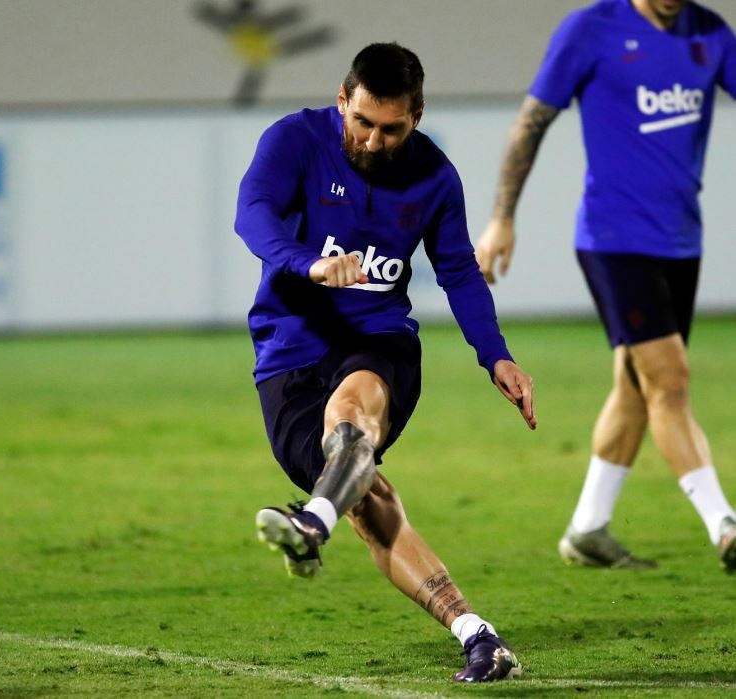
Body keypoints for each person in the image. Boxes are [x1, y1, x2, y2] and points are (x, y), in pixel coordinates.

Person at [235, 42, 536, 683]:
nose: (373, 141)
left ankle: (312, 521)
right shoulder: (293, 140)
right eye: (362, 122)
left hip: (379, 342)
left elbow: (457, 269)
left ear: (416, 116)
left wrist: (496, 356)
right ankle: (478, 635)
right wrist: (305, 263)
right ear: (343, 99)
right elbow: (251, 213)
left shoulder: (433, 175)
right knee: (370, 507)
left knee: (353, 418)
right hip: (288, 350)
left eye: (391, 128)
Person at [476, 0, 736, 571]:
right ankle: (725, 523)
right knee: (669, 379)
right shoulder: (591, 30)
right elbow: (531, 122)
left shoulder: (710, 32)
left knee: (639, 386)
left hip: (681, 241)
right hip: (613, 240)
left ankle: (588, 528)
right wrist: (502, 217)